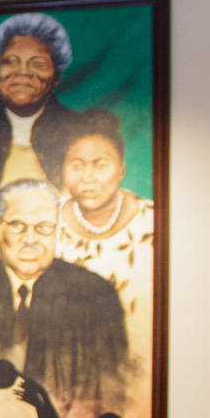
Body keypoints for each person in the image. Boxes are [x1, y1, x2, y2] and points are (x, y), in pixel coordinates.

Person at [0, 179, 127, 418]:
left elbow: (114, 393)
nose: (31, 239)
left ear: (57, 229)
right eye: (17, 225)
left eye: (44, 227)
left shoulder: (96, 296)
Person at [0, 12, 85, 259]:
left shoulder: (78, 129)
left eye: (37, 64)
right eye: (10, 62)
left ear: (56, 77)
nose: (22, 72)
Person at [47, 109, 154, 362]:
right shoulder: (45, 223)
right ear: (63, 171)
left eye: (101, 165)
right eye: (77, 166)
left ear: (122, 169)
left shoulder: (152, 222)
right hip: (63, 369)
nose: (88, 178)